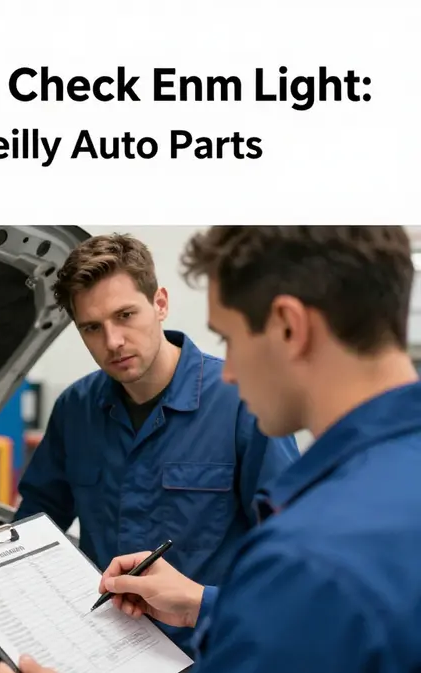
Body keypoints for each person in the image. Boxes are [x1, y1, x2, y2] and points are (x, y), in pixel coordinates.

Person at [0, 226, 421, 673]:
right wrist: (199, 604)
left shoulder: (313, 550)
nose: (230, 369)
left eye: (230, 338)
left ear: (291, 327)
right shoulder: (391, 484)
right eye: (92, 328)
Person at [15, 234, 299, 606]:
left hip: (209, 648)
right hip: (105, 645)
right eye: (92, 327)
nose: (113, 341)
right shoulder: (76, 408)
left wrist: (206, 605)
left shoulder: (242, 401)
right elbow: (34, 527)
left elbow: (291, 555)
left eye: (125, 315)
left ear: (160, 303)